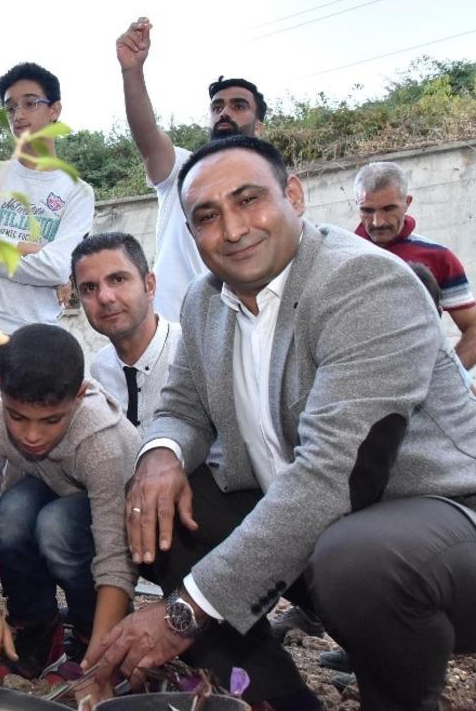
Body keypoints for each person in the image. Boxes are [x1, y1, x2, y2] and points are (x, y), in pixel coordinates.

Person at [93, 135, 476, 711]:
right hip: (319, 526)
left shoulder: (366, 283)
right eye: (207, 216)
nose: (233, 229)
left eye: (249, 200)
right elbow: (181, 407)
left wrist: (184, 611)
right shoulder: (204, 301)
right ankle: (279, 703)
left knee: (358, 560)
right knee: (159, 510)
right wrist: (160, 456)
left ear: (294, 196)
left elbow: (332, 476)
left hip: (442, 530)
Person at [0, 324, 137, 699]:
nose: (32, 436)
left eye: (51, 420)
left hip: (117, 523)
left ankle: (90, 636)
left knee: (54, 526)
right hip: (53, 494)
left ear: (80, 395)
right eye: (17, 417)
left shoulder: (101, 443)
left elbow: (115, 557)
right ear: (1, 387)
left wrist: (103, 661)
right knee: (12, 513)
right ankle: (36, 626)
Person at [0, 62, 95, 445]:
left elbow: (58, 266)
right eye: (11, 107)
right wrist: (31, 248)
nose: (19, 115)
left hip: (32, 327)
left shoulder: (77, 192)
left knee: (26, 434)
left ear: (55, 110)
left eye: (30, 103)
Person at [116, 17, 268, 322]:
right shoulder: (181, 169)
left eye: (239, 106)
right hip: (173, 331)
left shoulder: (271, 187)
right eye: (217, 106)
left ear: (259, 126)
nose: (224, 112)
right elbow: (147, 134)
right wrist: (132, 71)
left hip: (243, 330)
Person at [353, 160, 476, 369]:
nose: (377, 221)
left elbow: (474, 330)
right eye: (367, 210)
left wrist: (445, 377)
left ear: (407, 203)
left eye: (389, 208)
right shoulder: (340, 257)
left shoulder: (439, 257)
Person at [71, 232, 182, 432]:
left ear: (149, 285)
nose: (105, 297)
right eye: (89, 288)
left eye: (118, 279)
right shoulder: (101, 369)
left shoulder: (190, 352)